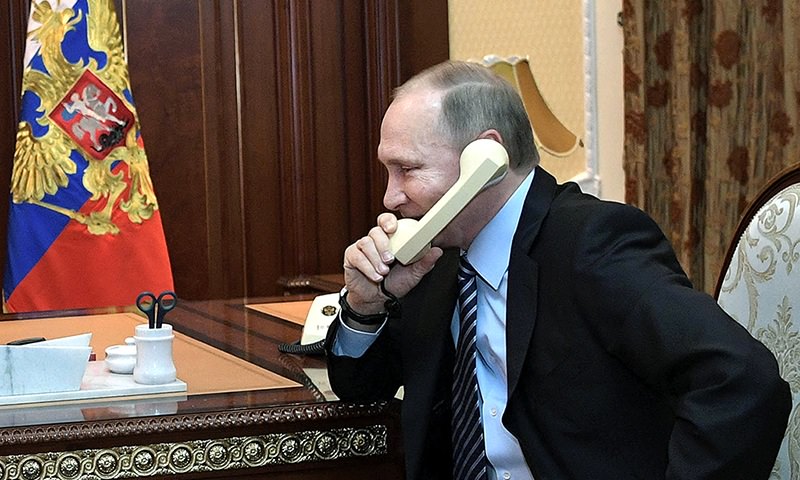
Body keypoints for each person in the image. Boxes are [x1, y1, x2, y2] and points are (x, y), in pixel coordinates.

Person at [324, 60, 791, 480]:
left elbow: (742, 381)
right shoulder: (437, 253)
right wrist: (366, 305)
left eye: (407, 169)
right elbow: (361, 389)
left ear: (484, 159)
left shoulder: (593, 243)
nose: (390, 197)